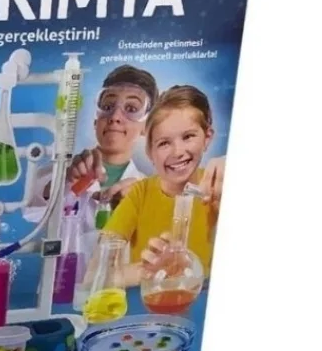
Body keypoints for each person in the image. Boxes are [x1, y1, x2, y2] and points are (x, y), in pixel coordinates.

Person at [24, 64, 158, 267]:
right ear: (96, 120)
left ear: (146, 127)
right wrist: (64, 182)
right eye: (108, 106)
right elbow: (31, 214)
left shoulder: (147, 191)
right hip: (61, 284)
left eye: (131, 109)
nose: (115, 117)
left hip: (115, 285)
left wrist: (136, 212)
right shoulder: (57, 172)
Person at [102, 84, 221, 284]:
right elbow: (96, 273)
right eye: (164, 143)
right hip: (153, 299)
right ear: (150, 152)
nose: (178, 152)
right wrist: (146, 271)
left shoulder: (217, 188)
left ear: (207, 138)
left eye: (188, 137)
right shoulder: (139, 195)